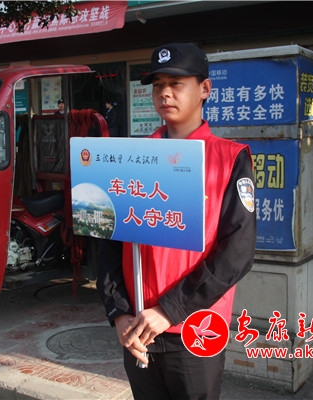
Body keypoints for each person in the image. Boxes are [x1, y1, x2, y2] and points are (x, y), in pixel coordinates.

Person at [97, 43, 257, 399]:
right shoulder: (131, 158)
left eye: (176, 83)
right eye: (157, 85)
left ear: (205, 89)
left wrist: (169, 310)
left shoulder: (230, 159)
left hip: (196, 329)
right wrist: (119, 313)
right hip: (138, 329)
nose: (164, 93)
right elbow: (109, 241)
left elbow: (237, 252)